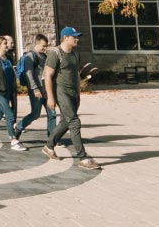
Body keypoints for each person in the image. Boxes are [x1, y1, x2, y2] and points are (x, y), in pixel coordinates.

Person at [42, 27, 99, 171]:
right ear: (65, 37)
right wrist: (50, 97)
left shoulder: (75, 53)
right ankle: (83, 157)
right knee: (74, 121)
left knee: (65, 121)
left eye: (77, 36)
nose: (77, 39)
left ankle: (49, 146)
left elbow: (76, 74)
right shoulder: (55, 53)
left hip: (74, 94)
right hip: (62, 93)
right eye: (74, 37)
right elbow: (47, 75)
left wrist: (79, 91)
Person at [13, 34, 55, 145]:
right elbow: (29, 73)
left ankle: (52, 138)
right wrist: (35, 89)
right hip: (36, 90)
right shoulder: (30, 56)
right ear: (36, 43)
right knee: (35, 114)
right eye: (43, 46)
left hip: (46, 89)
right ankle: (19, 126)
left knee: (52, 113)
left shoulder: (44, 56)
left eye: (46, 46)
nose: (45, 48)